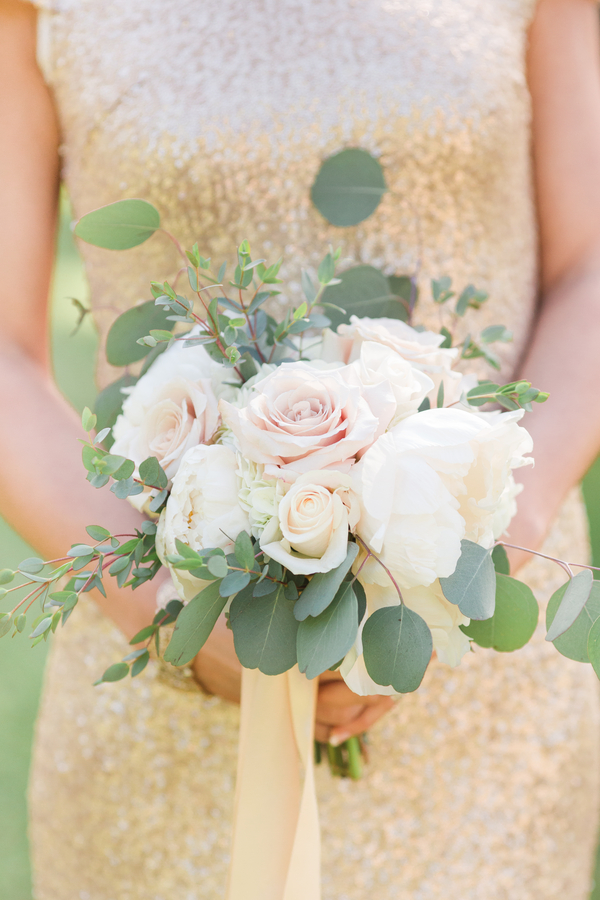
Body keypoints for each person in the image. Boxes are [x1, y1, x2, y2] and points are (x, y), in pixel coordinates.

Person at [1, 0, 600, 897]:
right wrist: (171, 619)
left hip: (482, 671)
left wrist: (484, 541)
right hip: (173, 677)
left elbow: (589, 261)